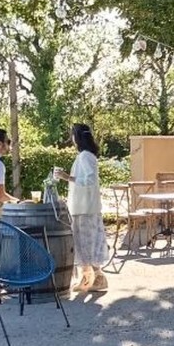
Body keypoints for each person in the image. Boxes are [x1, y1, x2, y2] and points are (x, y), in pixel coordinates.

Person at [54, 124, 108, 295]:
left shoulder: (85, 156)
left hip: (85, 208)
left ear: (77, 137)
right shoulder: (86, 156)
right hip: (83, 207)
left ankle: (97, 277)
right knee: (83, 244)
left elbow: (89, 180)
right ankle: (88, 278)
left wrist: (67, 177)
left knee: (86, 244)